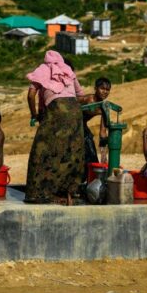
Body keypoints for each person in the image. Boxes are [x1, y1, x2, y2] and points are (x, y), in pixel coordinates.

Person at [25, 50, 85, 205]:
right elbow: (80, 94)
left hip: (57, 110)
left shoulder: (42, 70)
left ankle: (38, 193)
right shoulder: (67, 70)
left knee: (42, 150)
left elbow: (31, 95)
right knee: (71, 151)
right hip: (75, 112)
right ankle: (69, 191)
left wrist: (33, 115)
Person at [79, 77, 112, 167]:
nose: (105, 92)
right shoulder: (87, 99)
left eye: (107, 90)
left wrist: (104, 156)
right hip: (71, 124)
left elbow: (103, 132)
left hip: (82, 126)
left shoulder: (104, 107)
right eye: (102, 88)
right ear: (95, 89)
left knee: (92, 155)